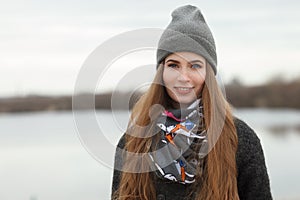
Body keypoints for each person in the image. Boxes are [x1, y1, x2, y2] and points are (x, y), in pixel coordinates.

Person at [111, 4, 272, 200]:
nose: (183, 77)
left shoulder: (240, 139)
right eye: (173, 65)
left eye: (194, 66)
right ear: (161, 71)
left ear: (208, 74)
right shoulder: (133, 141)